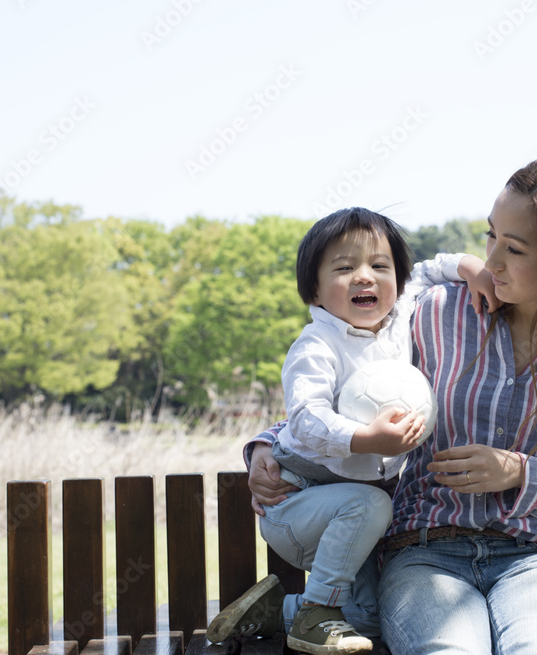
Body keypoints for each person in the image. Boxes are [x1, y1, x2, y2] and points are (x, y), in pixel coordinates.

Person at [243, 157, 537, 654]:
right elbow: (345, 386)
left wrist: (521, 473)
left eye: (513, 249)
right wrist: (266, 445)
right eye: (491, 236)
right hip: (424, 554)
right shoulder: (437, 314)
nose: (491, 261)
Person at [205, 207, 496, 653]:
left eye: (380, 266)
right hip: (298, 498)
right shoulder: (316, 346)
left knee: (369, 619)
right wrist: (366, 441)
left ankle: (278, 611)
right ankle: (317, 610)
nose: (365, 277)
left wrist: (471, 266)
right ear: (315, 291)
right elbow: (306, 417)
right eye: (344, 268)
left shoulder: (400, 316)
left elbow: (427, 268)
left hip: (355, 515)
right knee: (371, 504)